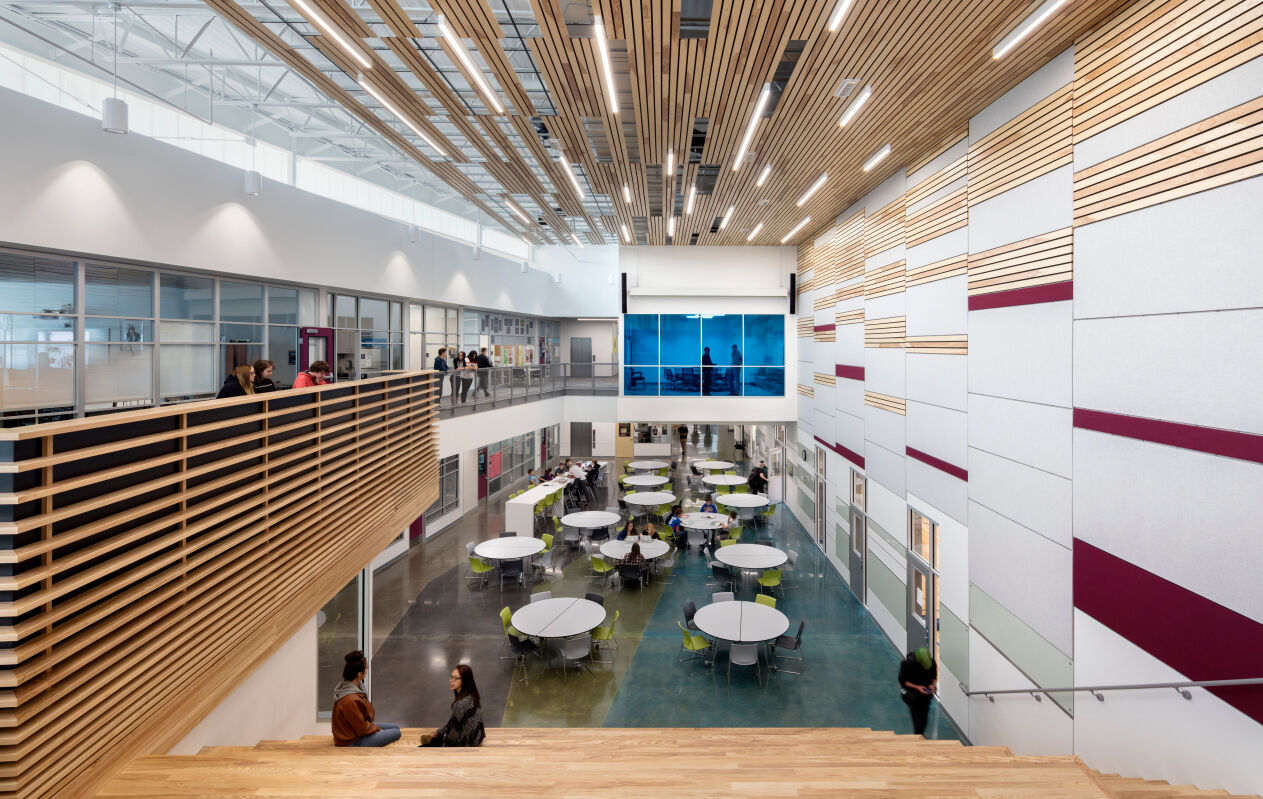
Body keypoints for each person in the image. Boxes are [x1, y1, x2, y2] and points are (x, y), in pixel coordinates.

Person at [332, 650, 400, 747]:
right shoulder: (349, 699)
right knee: (396, 733)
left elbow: (361, 722)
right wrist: (377, 729)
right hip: (352, 741)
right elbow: (362, 729)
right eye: (366, 668)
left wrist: (375, 728)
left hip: (356, 731)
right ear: (359, 674)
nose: (367, 671)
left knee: (395, 727)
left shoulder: (354, 687)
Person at [421, 664, 484, 747]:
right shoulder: (472, 695)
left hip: (466, 744)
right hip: (477, 737)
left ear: (464, 681)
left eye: (455, 678)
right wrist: (438, 732)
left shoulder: (460, 705)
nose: (451, 680)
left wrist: (443, 739)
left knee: (423, 748)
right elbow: (454, 721)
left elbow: (453, 735)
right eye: (451, 677)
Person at [899, 647, 938, 736]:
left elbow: (934, 677)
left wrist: (932, 685)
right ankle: (918, 735)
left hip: (926, 696)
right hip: (912, 696)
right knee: (917, 721)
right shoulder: (906, 664)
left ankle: (920, 734)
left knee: (924, 718)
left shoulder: (931, 662)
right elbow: (903, 681)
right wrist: (917, 687)